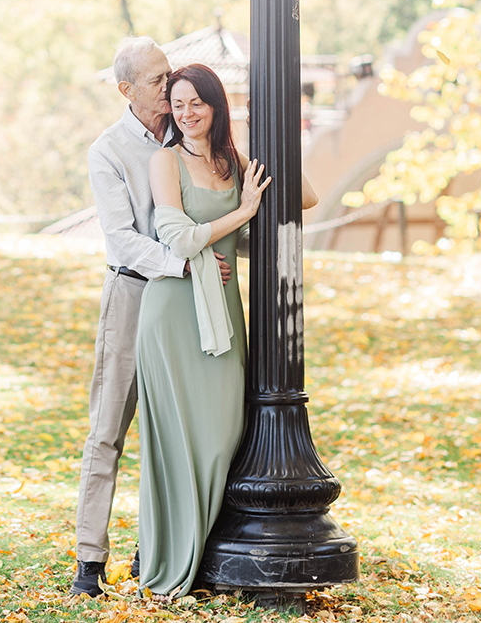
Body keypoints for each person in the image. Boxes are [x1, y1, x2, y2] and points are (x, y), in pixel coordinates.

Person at [137, 63, 322, 599]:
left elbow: (303, 198)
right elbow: (176, 238)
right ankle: (180, 564)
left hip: (223, 310)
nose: (187, 114)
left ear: (216, 107)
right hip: (173, 313)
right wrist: (241, 213)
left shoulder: (231, 161)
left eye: (197, 103)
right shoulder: (165, 161)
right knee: (178, 442)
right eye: (177, 105)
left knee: (222, 436)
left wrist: (284, 144)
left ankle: (207, 553)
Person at [69, 38, 231, 598]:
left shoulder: (188, 130)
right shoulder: (108, 151)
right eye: (159, 79)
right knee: (109, 429)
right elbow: (121, 240)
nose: (171, 86)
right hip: (136, 293)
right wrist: (187, 267)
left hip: (193, 303)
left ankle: (159, 549)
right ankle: (89, 561)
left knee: (175, 430)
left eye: (170, 75)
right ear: (127, 90)